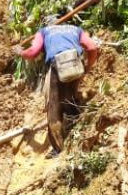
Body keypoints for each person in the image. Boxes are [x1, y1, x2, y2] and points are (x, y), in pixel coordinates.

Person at [14, 22, 99, 150]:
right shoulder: (76, 29)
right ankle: (79, 135)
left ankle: (58, 149)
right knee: (70, 98)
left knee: (53, 110)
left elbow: (32, 52)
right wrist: (87, 67)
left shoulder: (43, 31)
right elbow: (92, 48)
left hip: (58, 65)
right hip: (76, 62)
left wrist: (20, 52)